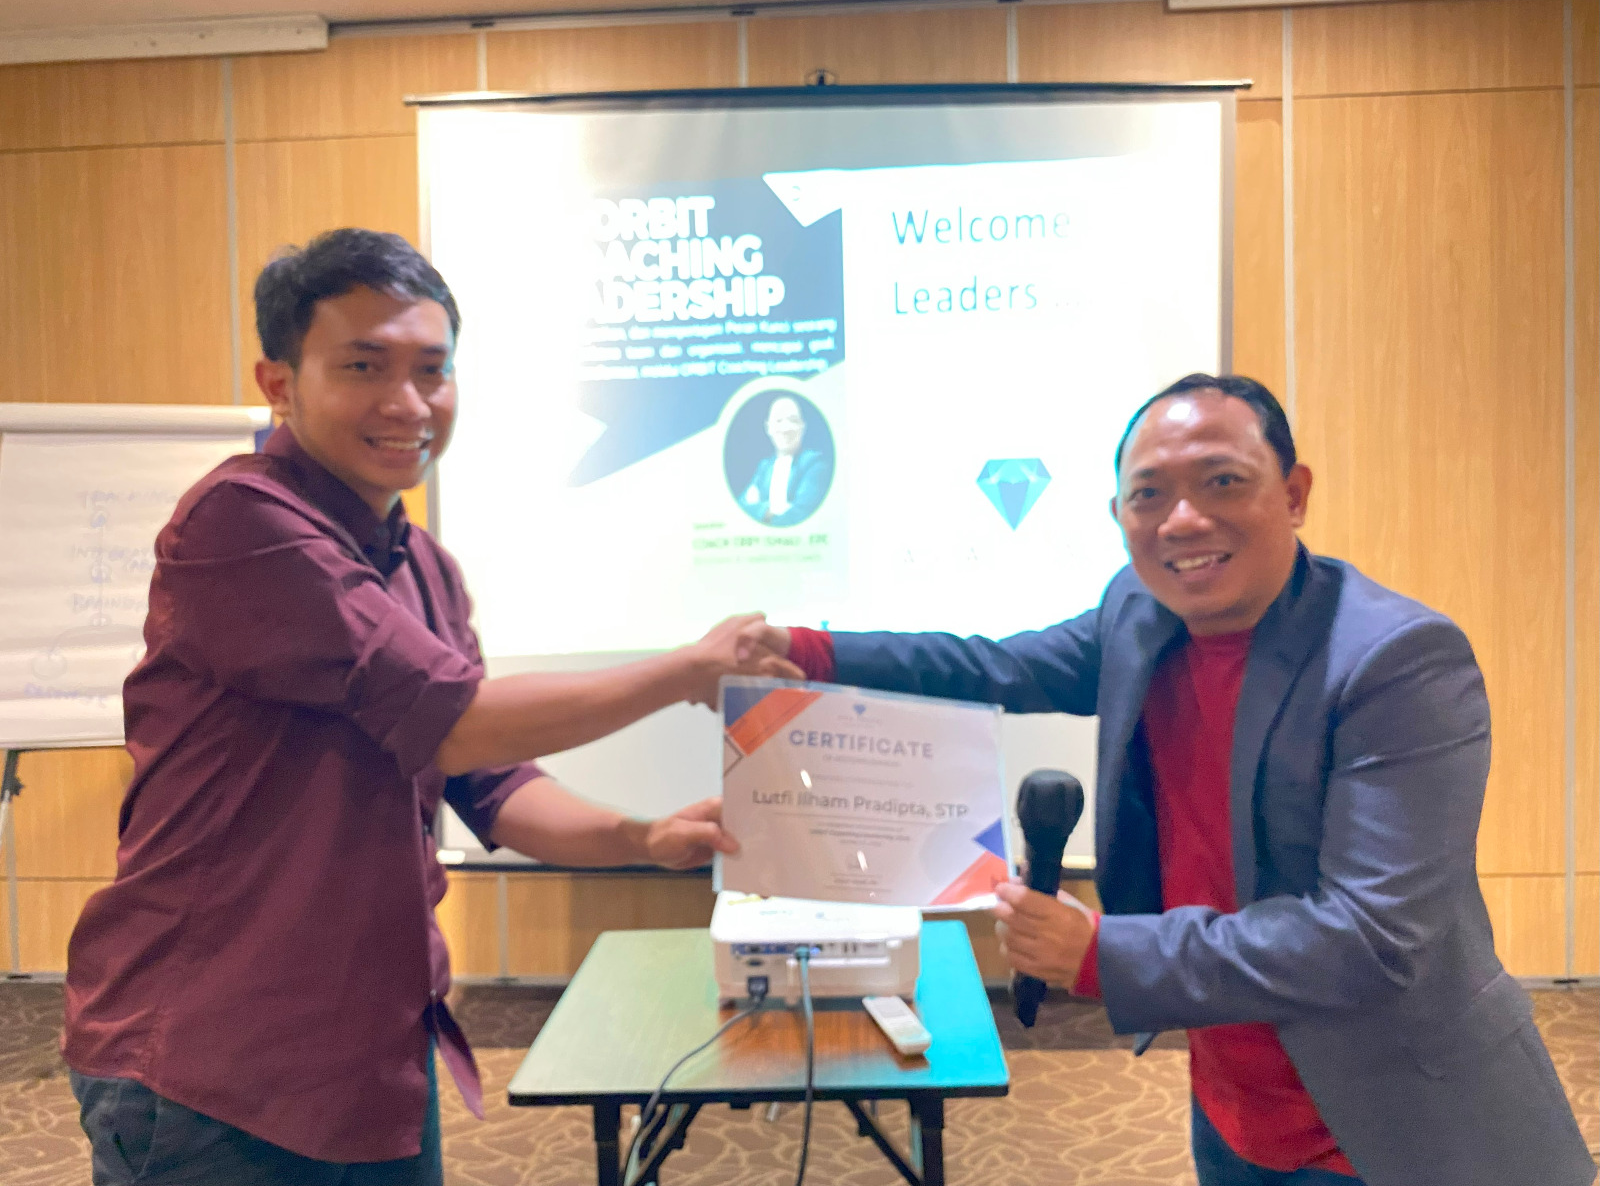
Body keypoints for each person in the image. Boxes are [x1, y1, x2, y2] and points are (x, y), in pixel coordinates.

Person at [61, 228, 800, 1186]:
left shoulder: (424, 566)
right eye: (363, 366)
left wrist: (643, 836)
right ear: (278, 382)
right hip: (214, 1058)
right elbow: (455, 723)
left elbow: (491, 783)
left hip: (370, 1051)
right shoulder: (244, 522)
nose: (408, 403)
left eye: (432, 370)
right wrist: (685, 671)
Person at [747, 374, 1595, 1186]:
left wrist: (1101, 952)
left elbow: (1370, 939)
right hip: (1230, 1098)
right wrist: (807, 652)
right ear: (1118, 515)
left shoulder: (1395, 662)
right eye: (1149, 494)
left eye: (1222, 481)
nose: (1183, 519)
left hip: (1392, 1121)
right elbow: (996, 667)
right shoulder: (1141, 610)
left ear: (1294, 494)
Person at [738, 394, 831, 526]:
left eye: (793, 420)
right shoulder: (764, 467)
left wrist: (759, 510)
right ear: (768, 428)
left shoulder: (815, 465)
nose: (786, 428)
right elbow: (740, 509)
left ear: (802, 427)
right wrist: (767, 511)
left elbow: (801, 515)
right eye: (778, 421)